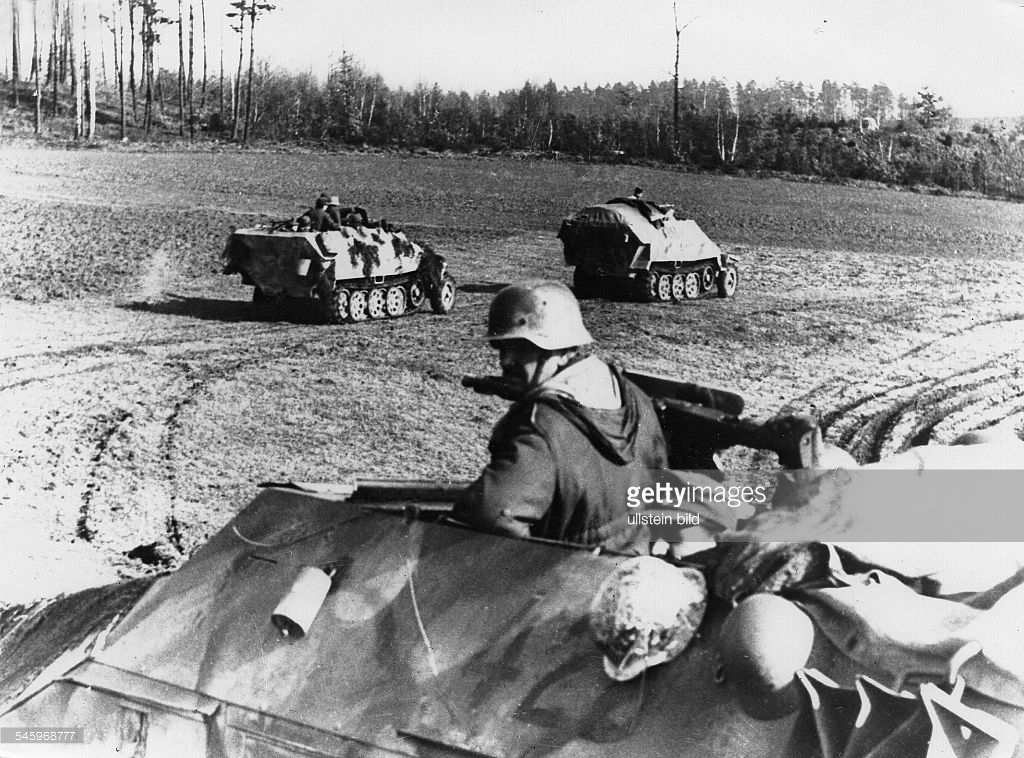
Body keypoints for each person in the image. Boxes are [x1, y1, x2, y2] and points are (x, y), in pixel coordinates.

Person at [451, 280, 668, 549]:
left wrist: (531, 557)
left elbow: (490, 512)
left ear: (563, 350)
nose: (505, 361)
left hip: (570, 571)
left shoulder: (539, 426)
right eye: (501, 349)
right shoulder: (633, 396)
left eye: (521, 348)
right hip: (636, 560)